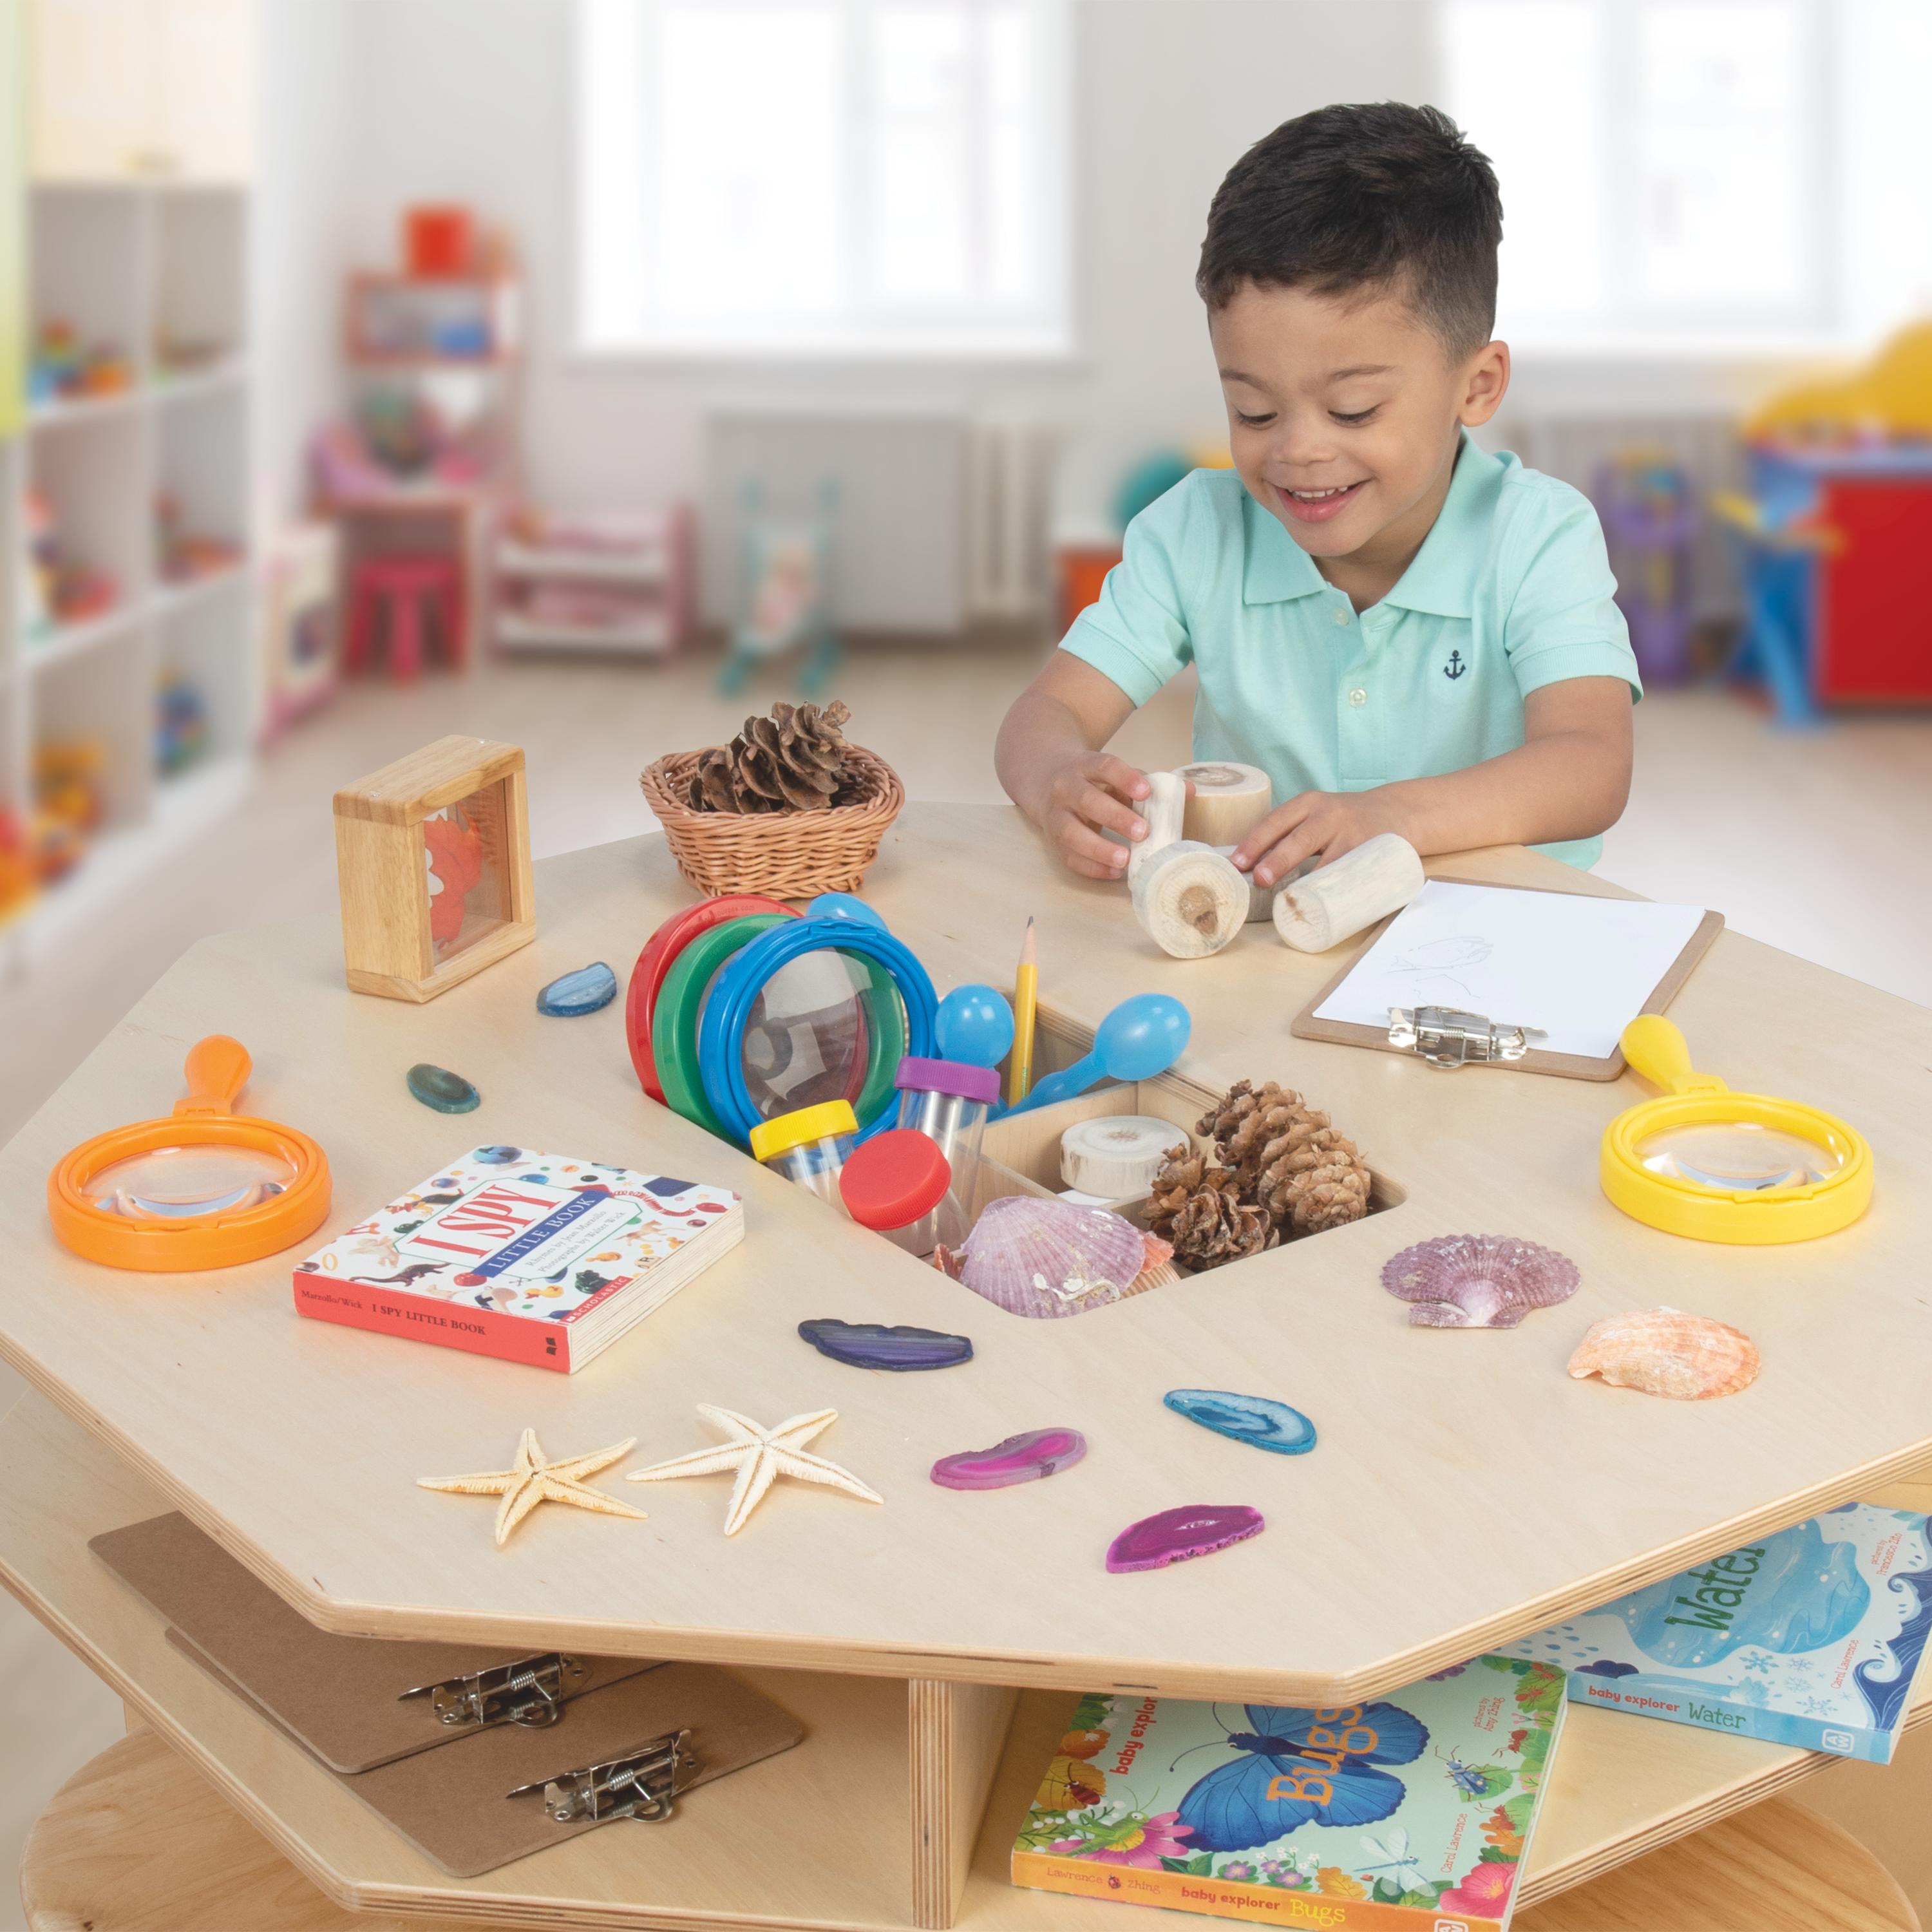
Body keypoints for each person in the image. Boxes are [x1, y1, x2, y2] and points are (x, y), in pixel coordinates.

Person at [996, 102, 1638, 886]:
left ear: (1477, 386)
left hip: (1506, 927)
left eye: (1353, 410)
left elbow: (1591, 764)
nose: (1298, 450)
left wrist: (1394, 817)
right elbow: (1046, 714)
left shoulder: (1539, 535)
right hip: (1278, 931)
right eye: (1253, 411)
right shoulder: (1199, 529)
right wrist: (1054, 777)